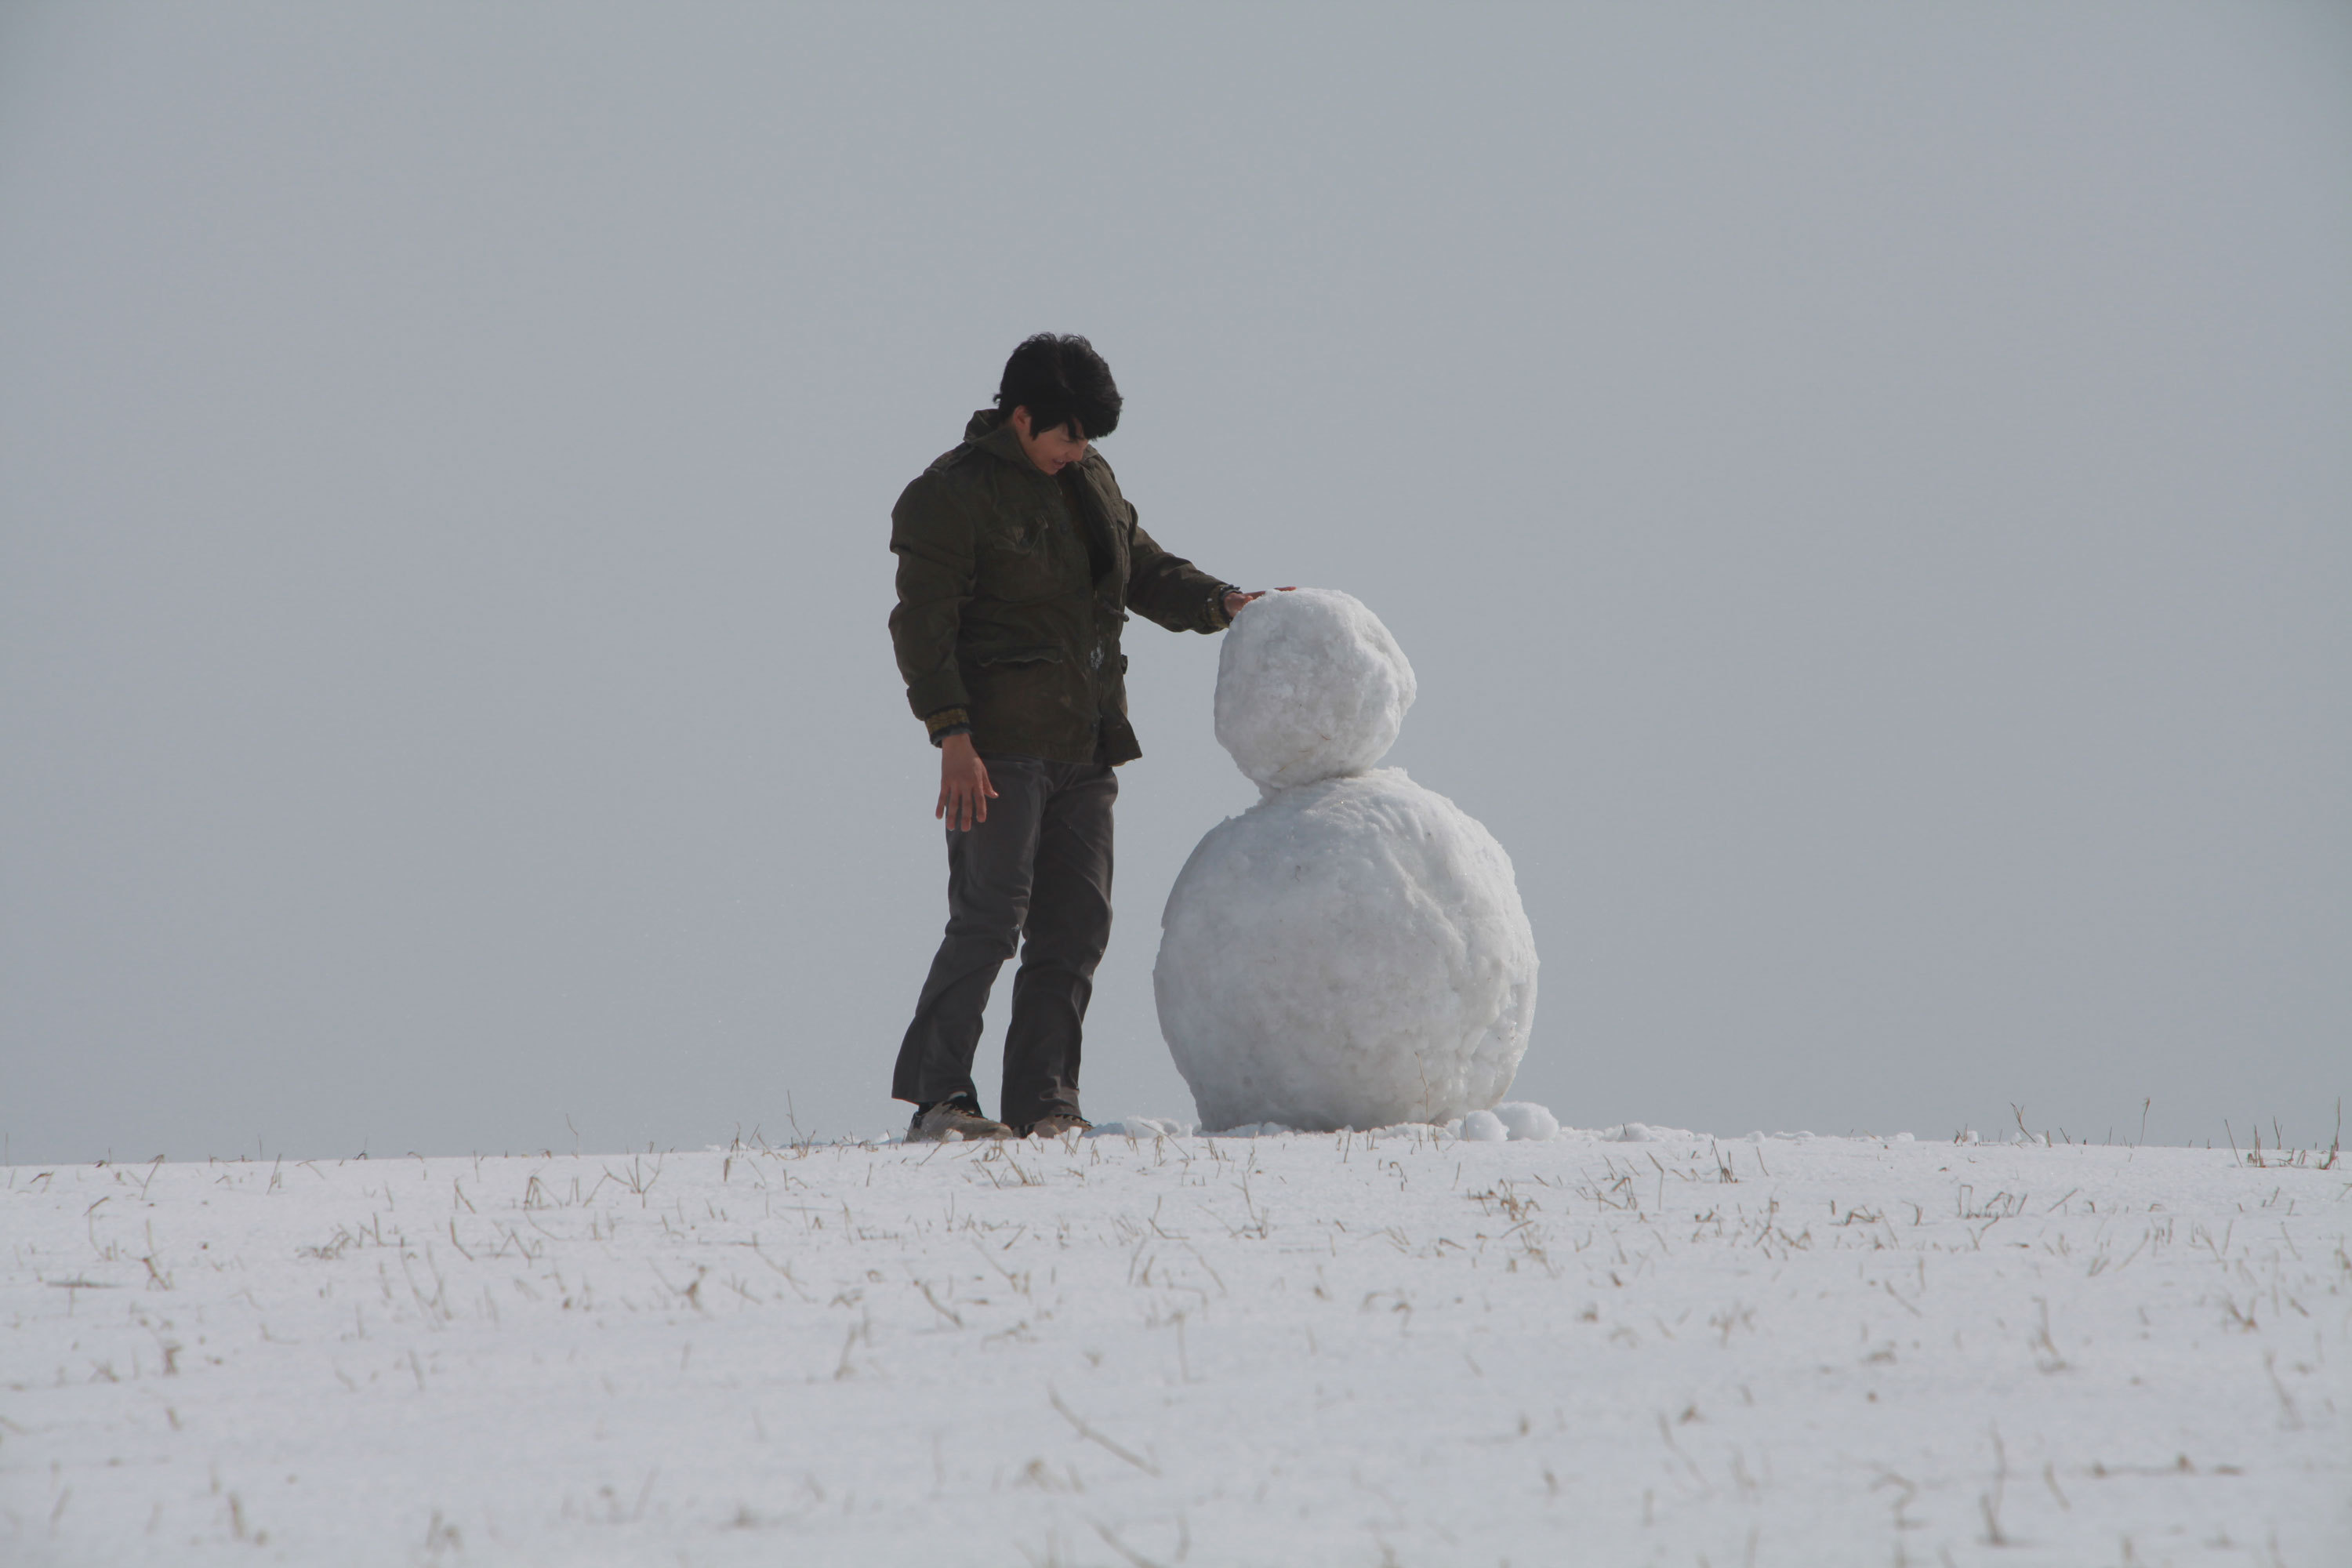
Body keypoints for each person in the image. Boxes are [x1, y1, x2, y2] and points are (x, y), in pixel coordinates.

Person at [887, 334, 1266, 1142]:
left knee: (1075, 926)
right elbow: (922, 626)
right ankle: (939, 1099)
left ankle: (1045, 1104)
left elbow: (1143, 568)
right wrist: (952, 734)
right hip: (995, 749)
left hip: (1087, 745)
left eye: (1089, 438)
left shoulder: (1090, 478)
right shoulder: (948, 495)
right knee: (990, 917)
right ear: (1022, 418)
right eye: (1068, 434)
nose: (1080, 450)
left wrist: (1223, 601)